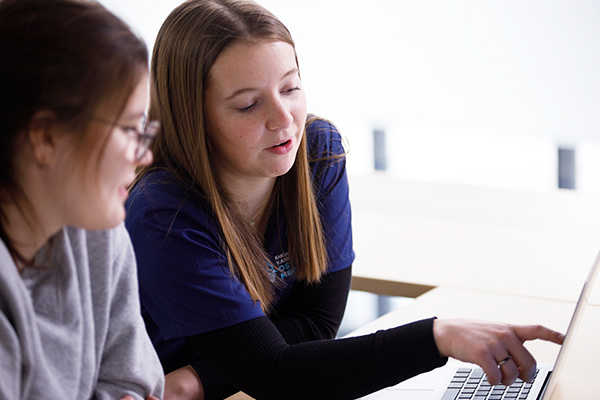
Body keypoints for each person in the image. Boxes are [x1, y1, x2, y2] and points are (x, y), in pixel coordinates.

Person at [125, 1, 564, 399]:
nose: (284, 120)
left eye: (290, 88)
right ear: (192, 119)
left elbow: (317, 323)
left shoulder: (317, 150)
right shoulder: (164, 214)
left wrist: (197, 380)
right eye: (247, 105)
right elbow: (274, 374)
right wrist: (437, 337)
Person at [0, 0, 165, 398]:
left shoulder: (97, 230)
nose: (145, 155)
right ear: (45, 136)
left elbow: (137, 383)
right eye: (129, 129)